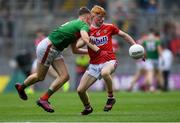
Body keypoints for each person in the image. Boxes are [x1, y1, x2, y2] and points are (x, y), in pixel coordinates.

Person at [15, 7, 103, 113]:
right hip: (49, 47)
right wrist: (96, 49)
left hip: (54, 49)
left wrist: (89, 52)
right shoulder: (82, 24)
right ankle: (27, 90)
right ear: (86, 17)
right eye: (90, 18)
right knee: (40, 76)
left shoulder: (76, 26)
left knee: (65, 76)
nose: (91, 21)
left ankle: (36, 95)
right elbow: (85, 38)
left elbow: (75, 50)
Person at [76, 5, 136, 115]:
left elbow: (124, 35)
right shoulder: (87, 30)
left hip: (109, 60)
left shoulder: (109, 27)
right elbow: (78, 45)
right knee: (80, 90)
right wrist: (85, 38)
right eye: (99, 17)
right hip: (94, 64)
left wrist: (135, 45)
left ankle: (110, 97)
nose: (102, 19)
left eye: (103, 17)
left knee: (105, 72)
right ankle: (88, 108)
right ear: (93, 16)